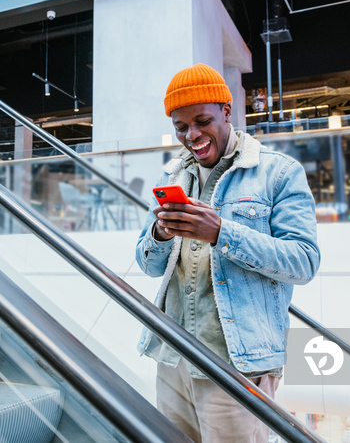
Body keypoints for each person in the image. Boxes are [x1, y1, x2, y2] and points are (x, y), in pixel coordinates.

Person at [135, 64, 320, 443]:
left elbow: (304, 261)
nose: (192, 135)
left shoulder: (278, 173)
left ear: (227, 111)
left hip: (237, 366)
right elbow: (148, 263)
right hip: (173, 358)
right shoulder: (171, 178)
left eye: (202, 121)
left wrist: (221, 232)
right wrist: (160, 232)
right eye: (181, 127)